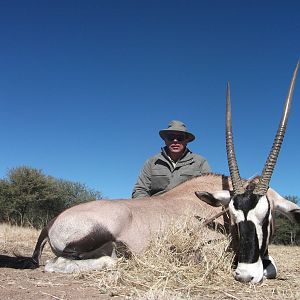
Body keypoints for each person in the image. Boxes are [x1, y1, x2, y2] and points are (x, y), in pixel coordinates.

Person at [132, 120, 211, 198]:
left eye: (180, 138)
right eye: (171, 137)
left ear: (187, 141)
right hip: (155, 207)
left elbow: (209, 190)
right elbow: (140, 190)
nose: (175, 141)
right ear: (165, 140)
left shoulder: (200, 162)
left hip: (188, 207)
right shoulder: (151, 162)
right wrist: (148, 207)